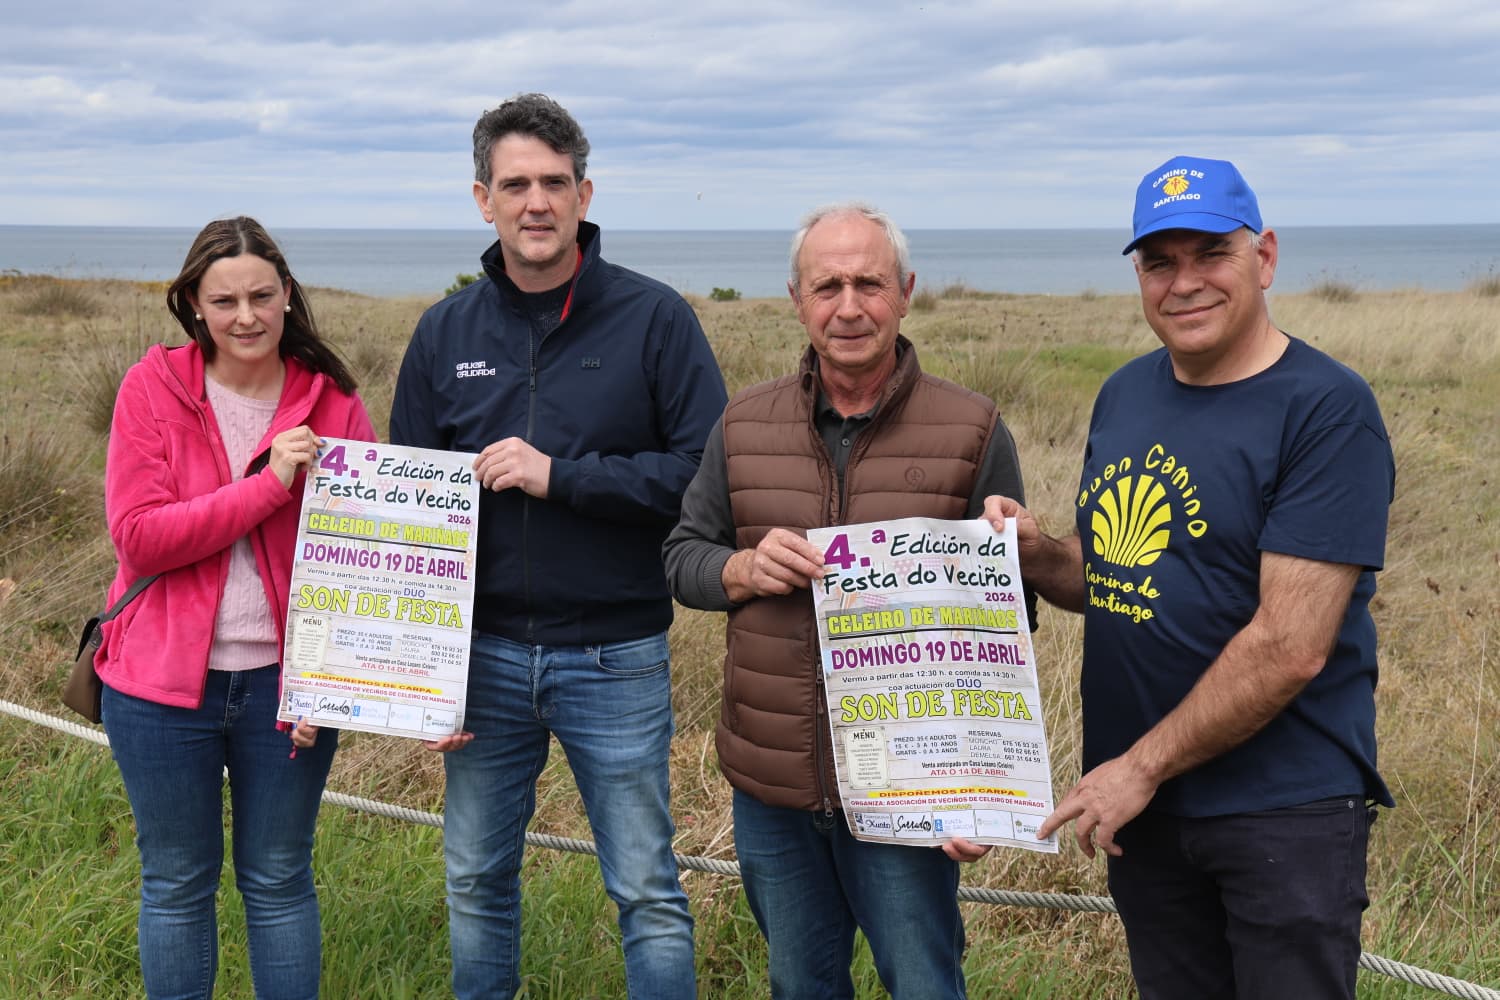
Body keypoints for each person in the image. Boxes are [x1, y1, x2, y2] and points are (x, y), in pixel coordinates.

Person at [984, 155, 1395, 1000]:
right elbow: (1109, 578)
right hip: (1146, 810)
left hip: (1281, 811)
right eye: (1160, 262)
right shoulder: (1126, 394)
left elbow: (1290, 648)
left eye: (1211, 253)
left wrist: (1140, 765)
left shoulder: (1326, 409)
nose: (1184, 283)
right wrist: (1034, 552)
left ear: (1265, 257)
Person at [389, 93, 724, 1000]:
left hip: (614, 656)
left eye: (553, 183)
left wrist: (562, 475)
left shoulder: (657, 321)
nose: (534, 202)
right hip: (480, 658)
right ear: (481, 198)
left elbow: (703, 480)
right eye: (514, 185)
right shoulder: (442, 334)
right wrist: (420, 670)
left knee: (647, 889)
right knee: (474, 881)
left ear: (584, 193)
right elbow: (408, 522)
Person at [663, 202, 1030, 1000]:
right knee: (801, 986)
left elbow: (1007, 628)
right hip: (774, 789)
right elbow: (682, 558)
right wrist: (743, 571)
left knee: (926, 984)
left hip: (911, 792)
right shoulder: (741, 424)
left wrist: (980, 797)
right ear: (797, 297)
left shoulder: (974, 427)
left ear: (905, 292)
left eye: (869, 282)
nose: (850, 306)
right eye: (827, 285)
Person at [98, 216, 376, 999]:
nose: (246, 315)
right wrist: (267, 486)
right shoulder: (150, 388)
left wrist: (329, 678)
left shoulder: (333, 399)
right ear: (192, 303)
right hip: (158, 689)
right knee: (178, 883)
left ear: (288, 294)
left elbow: (360, 558)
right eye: (225, 300)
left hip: (286, 691)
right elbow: (141, 539)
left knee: (281, 879)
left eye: (261, 295)